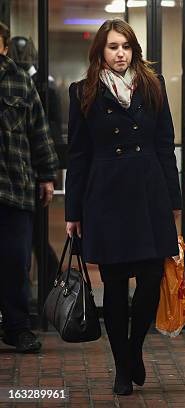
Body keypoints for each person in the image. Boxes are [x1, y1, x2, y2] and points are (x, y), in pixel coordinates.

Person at [65, 19, 181, 395]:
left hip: (149, 194)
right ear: (100, 50)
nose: (120, 54)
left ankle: (134, 350)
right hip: (106, 197)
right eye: (113, 46)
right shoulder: (83, 91)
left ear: (135, 50)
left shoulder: (153, 86)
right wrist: (73, 213)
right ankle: (120, 367)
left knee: (150, 280)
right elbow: (78, 155)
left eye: (126, 47)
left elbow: (165, 146)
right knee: (114, 287)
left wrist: (174, 202)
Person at [0, 21, 58, 353]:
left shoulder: (20, 82)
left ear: (5, 47)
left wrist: (47, 175)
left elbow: (39, 132)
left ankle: (17, 327)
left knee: (15, 262)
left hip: (15, 188)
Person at [8, 35, 61, 286]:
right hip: (17, 171)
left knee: (33, 238)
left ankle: (50, 285)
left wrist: (47, 171)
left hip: (29, 171)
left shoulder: (40, 83)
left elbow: (46, 129)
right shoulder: (17, 80)